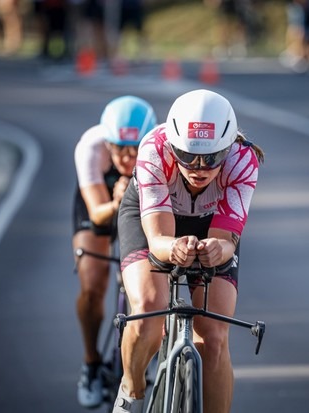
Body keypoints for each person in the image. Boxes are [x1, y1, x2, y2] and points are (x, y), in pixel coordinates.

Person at [113, 89, 265, 413]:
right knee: (148, 310)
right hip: (155, 221)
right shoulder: (153, 149)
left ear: (228, 148)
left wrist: (217, 249)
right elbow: (157, 240)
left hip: (211, 227)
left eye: (211, 158)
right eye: (186, 155)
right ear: (171, 145)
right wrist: (174, 248)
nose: (198, 168)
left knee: (214, 337)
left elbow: (225, 240)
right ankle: (131, 392)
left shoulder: (243, 159)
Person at [72, 96, 157, 408]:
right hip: (103, 202)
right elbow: (95, 213)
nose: (127, 156)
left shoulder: (159, 145)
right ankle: (91, 363)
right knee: (92, 283)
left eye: (134, 149)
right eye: (118, 147)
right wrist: (117, 200)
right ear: (106, 140)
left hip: (142, 201)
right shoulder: (90, 147)